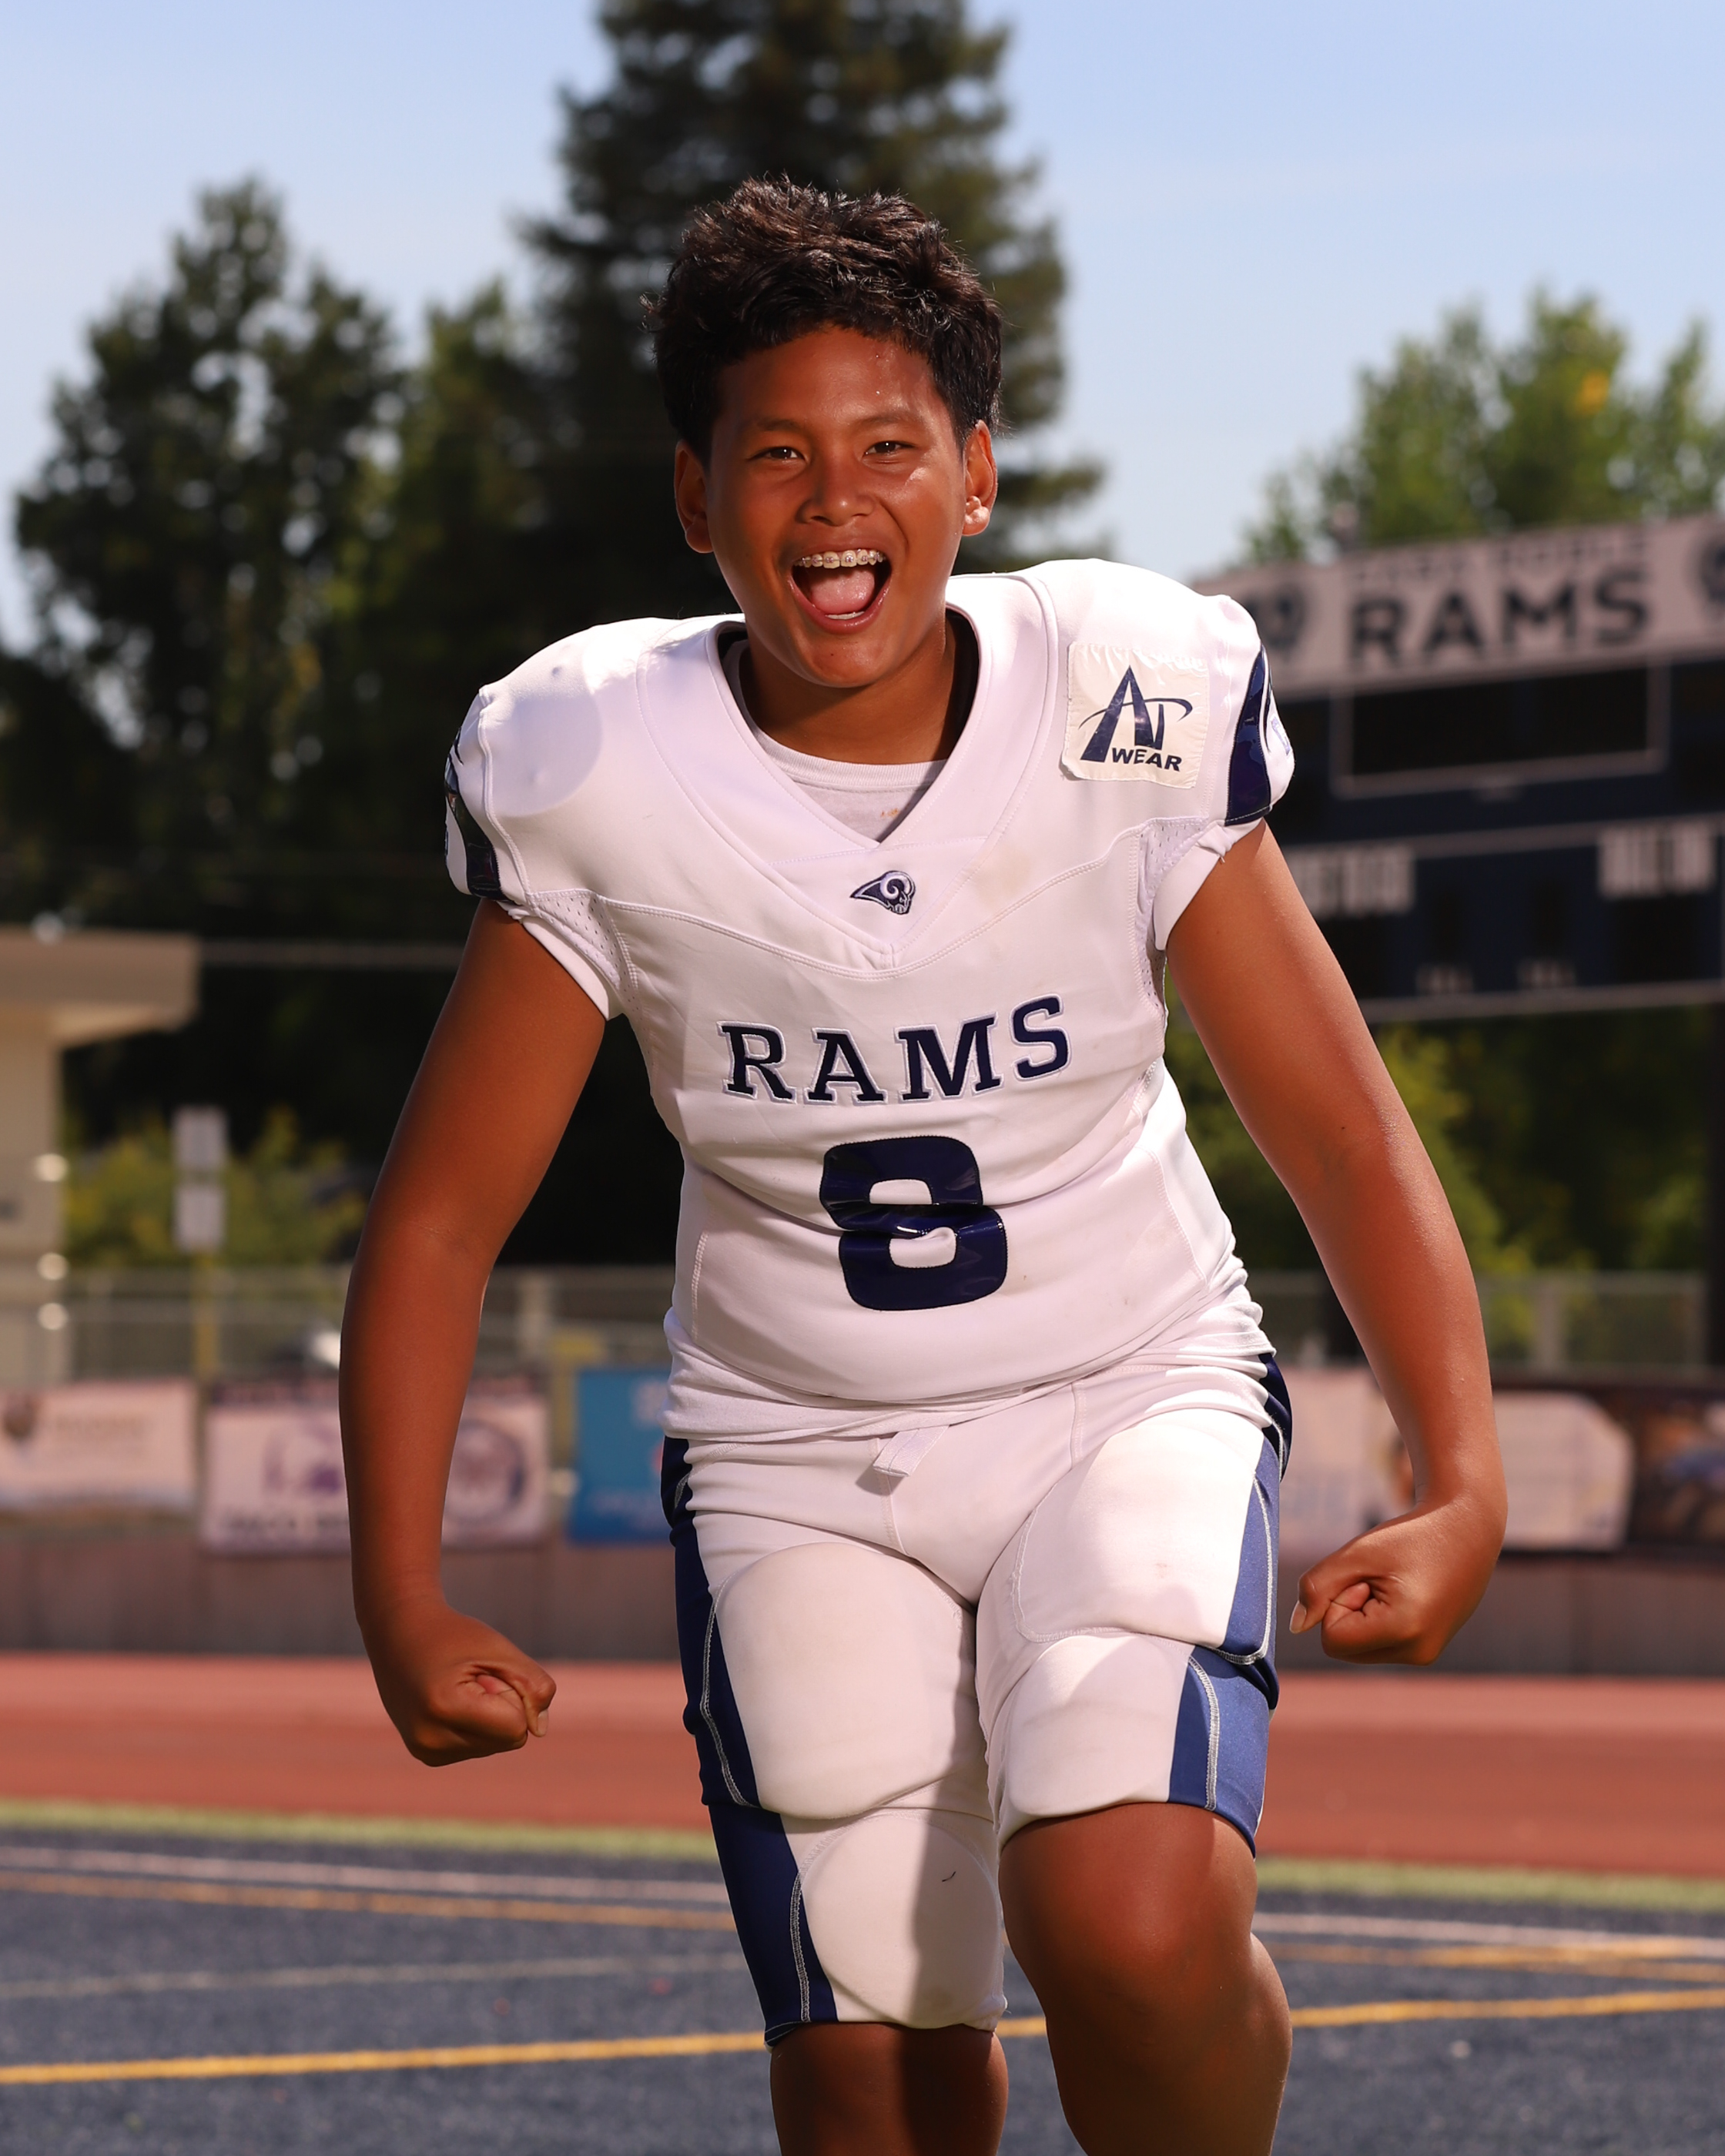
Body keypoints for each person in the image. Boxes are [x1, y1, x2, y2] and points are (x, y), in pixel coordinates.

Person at [340, 179, 1506, 2156]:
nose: (834, 501)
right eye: (773, 453)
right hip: (795, 1446)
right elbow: (441, 1218)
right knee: (869, 2079)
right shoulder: (593, 761)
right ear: (693, 497)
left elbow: (1332, 1121)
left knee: (1128, 1919)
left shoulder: (1118, 697)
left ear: (976, 470)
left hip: (1116, 1383)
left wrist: (1462, 1469)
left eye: (888, 445)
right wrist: (397, 1587)